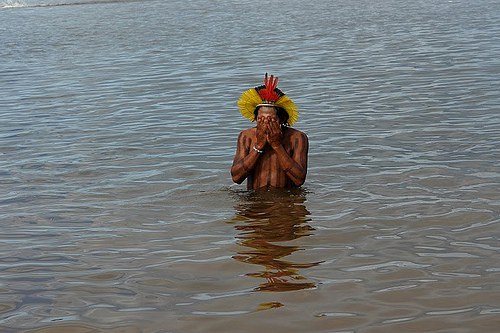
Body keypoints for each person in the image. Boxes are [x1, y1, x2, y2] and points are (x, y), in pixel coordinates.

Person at [231, 73, 308, 190]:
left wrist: (277, 145)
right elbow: (236, 178)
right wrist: (259, 146)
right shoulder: (246, 137)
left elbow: (299, 180)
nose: (266, 124)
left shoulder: (297, 138)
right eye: (261, 119)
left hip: (285, 201)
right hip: (254, 201)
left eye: (271, 120)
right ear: (255, 119)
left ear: (281, 120)